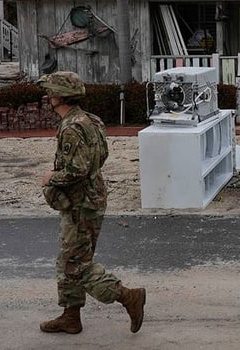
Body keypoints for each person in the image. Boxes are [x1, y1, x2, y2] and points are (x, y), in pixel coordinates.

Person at [37, 71, 146, 334]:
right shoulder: (91, 120)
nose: (47, 95)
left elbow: (78, 170)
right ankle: (70, 316)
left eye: (51, 91)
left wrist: (51, 178)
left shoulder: (73, 126)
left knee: (76, 265)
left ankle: (127, 296)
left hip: (79, 204)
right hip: (90, 198)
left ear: (61, 95)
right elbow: (101, 157)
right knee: (71, 260)